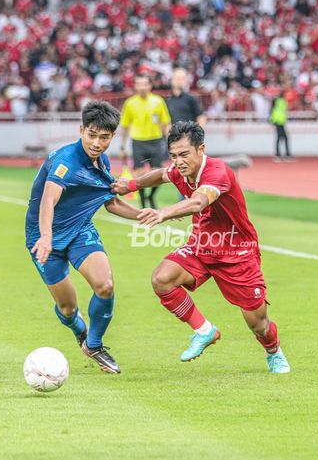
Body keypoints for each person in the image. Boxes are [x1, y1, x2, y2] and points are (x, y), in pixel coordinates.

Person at [111, 121, 290, 374]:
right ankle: (204, 331)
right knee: (162, 279)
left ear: (201, 149)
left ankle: (274, 351)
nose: (178, 161)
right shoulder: (179, 170)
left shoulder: (217, 172)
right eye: (173, 155)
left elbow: (198, 202)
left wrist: (164, 212)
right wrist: (130, 185)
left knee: (257, 323)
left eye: (184, 154)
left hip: (237, 252)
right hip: (202, 246)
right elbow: (161, 175)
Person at [26, 101, 140, 374]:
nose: (97, 143)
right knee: (67, 309)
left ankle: (95, 345)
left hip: (79, 230)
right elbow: (47, 201)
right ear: (81, 130)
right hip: (46, 239)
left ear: (112, 137)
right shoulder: (65, 161)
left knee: (105, 285)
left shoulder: (102, 160)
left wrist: (146, 215)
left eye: (104, 137)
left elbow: (110, 202)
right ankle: (79, 331)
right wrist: (45, 237)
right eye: (91, 135)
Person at [119, 75, 171, 209]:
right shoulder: (130, 103)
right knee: (139, 174)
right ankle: (143, 202)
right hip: (138, 142)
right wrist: (122, 146)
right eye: (139, 84)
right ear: (135, 86)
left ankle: (151, 196)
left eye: (145, 84)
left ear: (150, 86)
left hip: (155, 140)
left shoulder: (158, 101)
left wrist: (171, 141)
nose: (142, 87)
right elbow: (124, 126)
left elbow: (166, 123)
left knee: (159, 174)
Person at [270, 90, 292, 161]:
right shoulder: (282, 101)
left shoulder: (276, 101)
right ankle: (282, 155)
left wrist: (272, 121)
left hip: (278, 122)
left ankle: (279, 154)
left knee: (280, 138)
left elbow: (273, 111)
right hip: (280, 122)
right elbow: (283, 110)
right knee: (283, 138)